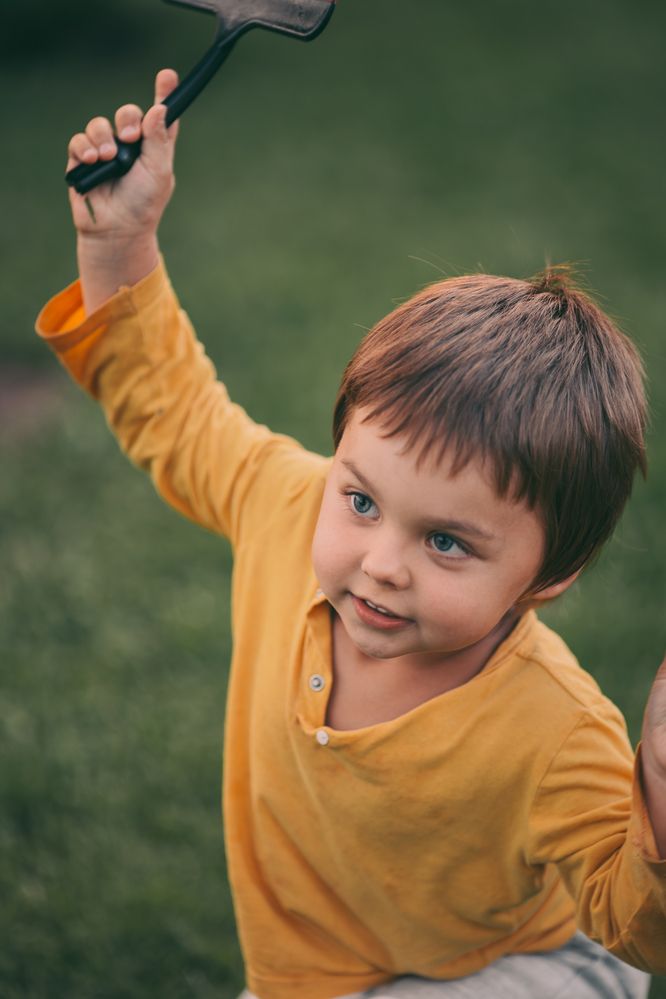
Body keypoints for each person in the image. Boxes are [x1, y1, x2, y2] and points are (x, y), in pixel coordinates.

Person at [36, 70, 666, 999]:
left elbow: (634, 920)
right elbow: (173, 409)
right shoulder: (286, 507)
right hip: (323, 973)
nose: (380, 564)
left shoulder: (558, 728)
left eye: (447, 542)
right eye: (362, 500)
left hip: (521, 967)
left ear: (550, 574)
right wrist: (120, 241)